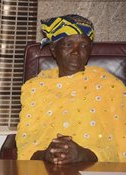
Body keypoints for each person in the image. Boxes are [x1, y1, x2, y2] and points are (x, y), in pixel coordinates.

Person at [16, 14, 126, 164]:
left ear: (90, 51)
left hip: (94, 168)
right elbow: (25, 146)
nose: (76, 51)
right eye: (68, 44)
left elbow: (120, 146)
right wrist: (46, 155)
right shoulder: (35, 88)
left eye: (83, 46)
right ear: (54, 49)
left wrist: (84, 155)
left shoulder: (110, 86)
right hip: (45, 168)